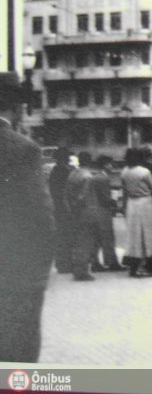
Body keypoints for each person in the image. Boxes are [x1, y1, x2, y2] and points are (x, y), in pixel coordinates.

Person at [0, 71, 55, 362]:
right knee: (16, 362)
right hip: (14, 277)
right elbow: (41, 217)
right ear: (16, 107)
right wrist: (40, 275)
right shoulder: (24, 150)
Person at [121, 148, 152, 278]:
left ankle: (134, 266)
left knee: (135, 236)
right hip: (146, 204)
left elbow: (124, 191)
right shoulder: (145, 172)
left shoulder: (124, 172)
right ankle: (148, 265)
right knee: (149, 235)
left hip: (132, 204)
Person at [64, 151, 100, 282]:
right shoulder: (88, 177)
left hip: (74, 212)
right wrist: (79, 207)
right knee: (87, 242)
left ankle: (77, 269)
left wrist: (71, 209)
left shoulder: (73, 174)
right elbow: (83, 196)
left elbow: (66, 194)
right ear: (90, 161)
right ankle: (83, 272)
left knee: (77, 241)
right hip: (87, 212)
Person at [92, 155, 126, 272]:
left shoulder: (96, 177)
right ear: (105, 165)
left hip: (96, 210)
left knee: (97, 238)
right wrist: (115, 203)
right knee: (108, 237)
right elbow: (105, 198)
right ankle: (111, 262)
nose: (112, 166)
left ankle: (95, 262)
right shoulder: (103, 178)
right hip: (103, 211)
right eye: (110, 164)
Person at [48, 146, 74, 274]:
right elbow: (65, 193)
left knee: (60, 235)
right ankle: (66, 264)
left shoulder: (54, 171)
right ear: (65, 158)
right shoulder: (65, 171)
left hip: (57, 208)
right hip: (65, 208)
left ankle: (61, 263)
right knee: (67, 235)